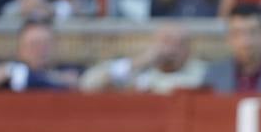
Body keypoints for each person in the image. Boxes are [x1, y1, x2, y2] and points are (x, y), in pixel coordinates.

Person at [79, 21, 209, 93]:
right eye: (165, 41)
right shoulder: (138, 68)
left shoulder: (202, 71)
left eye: (178, 44)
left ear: (188, 50)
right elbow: (88, 83)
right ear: (153, 45)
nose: (170, 49)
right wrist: (138, 62)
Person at [0, 18, 81, 91]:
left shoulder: (67, 69)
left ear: (55, 46)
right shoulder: (12, 72)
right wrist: (12, 70)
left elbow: (79, 83)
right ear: (20, 49)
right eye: (34, 45)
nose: (40, 51)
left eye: (45, 45)